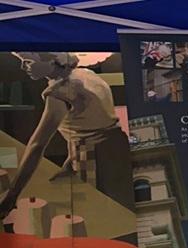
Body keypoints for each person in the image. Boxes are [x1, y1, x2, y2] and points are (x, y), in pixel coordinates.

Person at [1, 52, 132, 221]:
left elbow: (37, 144)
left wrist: (11, 196)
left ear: (50, 60)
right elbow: (91, 124)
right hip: (119, 148)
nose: (23, 67)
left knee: (97, 216)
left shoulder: (60, 91)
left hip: (94, 159)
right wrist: (69, 163)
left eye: (27, 62)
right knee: (121, 211)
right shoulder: (87, 75)